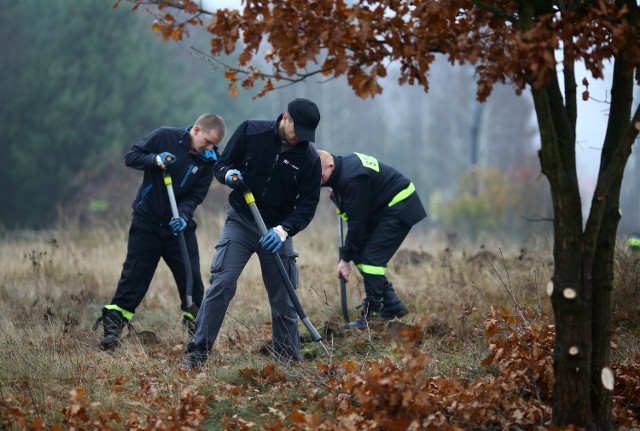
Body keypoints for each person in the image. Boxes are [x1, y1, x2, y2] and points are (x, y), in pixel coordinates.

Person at [183, 98, 322, 368]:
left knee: (284, 297)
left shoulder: (308, 159)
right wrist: (228, 175)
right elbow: (221, 165)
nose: (300, 139)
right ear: (285, 118)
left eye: (306, 135)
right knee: (222, 282)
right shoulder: (251, 132)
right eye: (297, 131)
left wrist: (284, 230)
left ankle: (288, 363)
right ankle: (198, 354)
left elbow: (307, 206)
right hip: (242, 221)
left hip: (277, 231)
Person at [94, 114, 226, 350]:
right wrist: (155, 159)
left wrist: (183, 217)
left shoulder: (209, 161)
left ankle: (197, 335)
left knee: (192, 279)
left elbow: (195, 196)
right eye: (207, 142)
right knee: (134, 277)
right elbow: (131, 157)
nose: (209, 148)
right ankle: (112, 332)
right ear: (196, 130)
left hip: (179, 229)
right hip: (148, 223)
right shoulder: (165, 136)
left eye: (213, 145)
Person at [317, 150, 427, 330]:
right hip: (383, 209)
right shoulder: (342, 171)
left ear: (330, 166)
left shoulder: (352, 178)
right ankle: (392, 305)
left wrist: (345, 259)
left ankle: (373, 316)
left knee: (371, 260)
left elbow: (357, 224)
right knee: (360, 254)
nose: (320, 183)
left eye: (321, 177)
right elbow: (355, 216)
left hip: (400, 205)